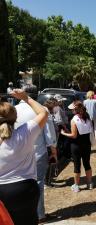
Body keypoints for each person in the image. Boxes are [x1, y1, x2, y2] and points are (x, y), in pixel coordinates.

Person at [0, 89, 48, 225]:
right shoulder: (24, 133)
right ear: (15, 117)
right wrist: (26, 98)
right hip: (25, 189)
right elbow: (43, 112)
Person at [15, 94, 58, 223]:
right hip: (38, 153)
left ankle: (23, 214)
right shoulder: (41, 111)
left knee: (20, 183)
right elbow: (50, 138)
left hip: (18, 154)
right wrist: (54, 154)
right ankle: (40, 215)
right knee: (38, 184)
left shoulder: (13, 109)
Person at [61, 101, 93, 192]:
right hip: (87, 144)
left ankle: (76, 185)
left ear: (76, 110)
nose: (71, 111)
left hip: (76, 146)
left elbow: (74, 135)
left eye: (72, 109)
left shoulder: (74, 120)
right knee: (87, 163)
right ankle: (89, 183)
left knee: (77, 165)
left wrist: (64, 133)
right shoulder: (87, 117)